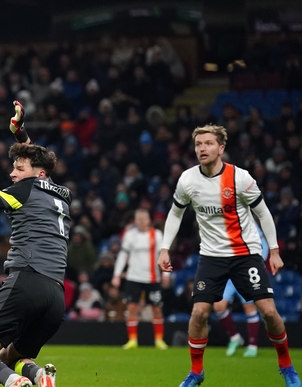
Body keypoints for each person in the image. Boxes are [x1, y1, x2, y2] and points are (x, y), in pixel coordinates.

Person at [158, 124, 300, 387]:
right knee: (199, 313)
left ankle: (286, 366)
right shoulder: (188, 180)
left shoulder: (241, 178)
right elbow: (176, 213)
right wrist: (165, 247)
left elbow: (264, 213)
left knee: (268, 312)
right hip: (211, 256)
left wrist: (275, 251)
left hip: (245, 254)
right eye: (199, 144)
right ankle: (196, 372)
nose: (202, 148)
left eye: (208, 143)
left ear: (221, 148)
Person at [0, 101, 64, 387]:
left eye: (18, 169)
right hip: (56, 297)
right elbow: (41, 162)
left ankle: (14, 383)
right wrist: (20, 134)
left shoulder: (24, 189)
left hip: (27, 281)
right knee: (13, 354)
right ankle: (39, 375)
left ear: (35, 174)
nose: (12, 174)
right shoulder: (59, 193)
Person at [112, 208, 169, 350]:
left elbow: (163, 255)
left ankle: (159, 340)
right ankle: (132, 340)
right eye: (139, 219)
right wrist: (117, 275)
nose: (142, 222)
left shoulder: (156, 234)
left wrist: (166, 273)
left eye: (144, 219)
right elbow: (123, 255)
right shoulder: (130, 235)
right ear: (135, 221)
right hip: (134, 277)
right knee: (131, 307)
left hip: (152, 277)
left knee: (156, 308)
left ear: (149, 220)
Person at [213, 227, 270, 358]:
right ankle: (234, 337)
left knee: (249, 306)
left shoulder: (249, 222)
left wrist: (257, 263)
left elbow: (263, 245)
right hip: (229, 273)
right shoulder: (224, 222)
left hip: (246, 271)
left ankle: (252, 345)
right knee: (218, 305)